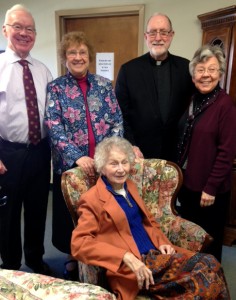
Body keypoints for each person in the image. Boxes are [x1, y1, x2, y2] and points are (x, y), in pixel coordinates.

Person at [71, 136, 230, 300]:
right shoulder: (92, 199)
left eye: (124, 162)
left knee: (210, 265)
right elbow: (79, 244)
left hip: (155, 255)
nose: (121, 169)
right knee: (206, 272)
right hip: (135, 268)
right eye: (113, 163)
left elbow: (149, 220)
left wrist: (162, 241)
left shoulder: (129, 186)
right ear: (102, 167)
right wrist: (125, 256)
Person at [45, 31, 123, 280]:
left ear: (88, 56)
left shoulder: (103, 85)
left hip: (102, 167)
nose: (78, 57)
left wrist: (107, 157)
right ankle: (72, 256)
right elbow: (53, 127)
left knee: (101, 213)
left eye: (82, 52)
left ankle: (100, 256)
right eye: (72, 52)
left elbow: (117, 122)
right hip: (72, 168)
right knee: (73, 215)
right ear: (64, 57)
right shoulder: (56, 88)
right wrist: (77, 157)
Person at [0, 4, 52, 274]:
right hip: (6, 152)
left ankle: (35, 259)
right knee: (7, 214)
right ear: (5, 30)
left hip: (41, 152)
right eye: (17, 27)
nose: (24, 33)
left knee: (37, 209)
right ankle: (10, 265)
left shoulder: (43, 70)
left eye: (29, 28)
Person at [177, 44, 236, 262]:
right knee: (190, 240)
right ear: (193, 76)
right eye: (200, 70)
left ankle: (210, 288)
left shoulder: (225, 105)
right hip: (189, 185)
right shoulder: (193, 100)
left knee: (208, 243)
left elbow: (226, 152)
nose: (205, 75)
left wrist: (210, 188)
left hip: (210, 191)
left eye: (211, 70)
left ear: (220, 74)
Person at [115, 13, 194, 161]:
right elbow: (119, 115)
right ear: (146, 36)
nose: (158, 38)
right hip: (138, 155)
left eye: (163, 32)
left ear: (171, 35)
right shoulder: (128, 70)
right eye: (152, 32)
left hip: (175, 155)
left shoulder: (186, 68)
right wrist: (130, 145)